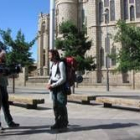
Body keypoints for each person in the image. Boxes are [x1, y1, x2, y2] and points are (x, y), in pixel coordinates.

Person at [47, 49, 68, 130]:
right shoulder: (52, 65)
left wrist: (53, 85)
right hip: (54, 87)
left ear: (55, 55)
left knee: (61, 106)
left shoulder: (61, 64)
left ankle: (64, 122)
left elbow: (63, 78)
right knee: (55, 106)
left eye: (50, 55)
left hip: (60, 87)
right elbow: (51, 76)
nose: (49, 57)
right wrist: (49, 83)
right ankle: (57, 122)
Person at [0, 48, 20, 128]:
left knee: (5, 105)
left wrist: (14, 71)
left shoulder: (4, 64)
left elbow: (6, 73)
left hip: (4, 86)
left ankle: (9, 122)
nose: (5, 58)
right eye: (3, 56)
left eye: (5, 56)